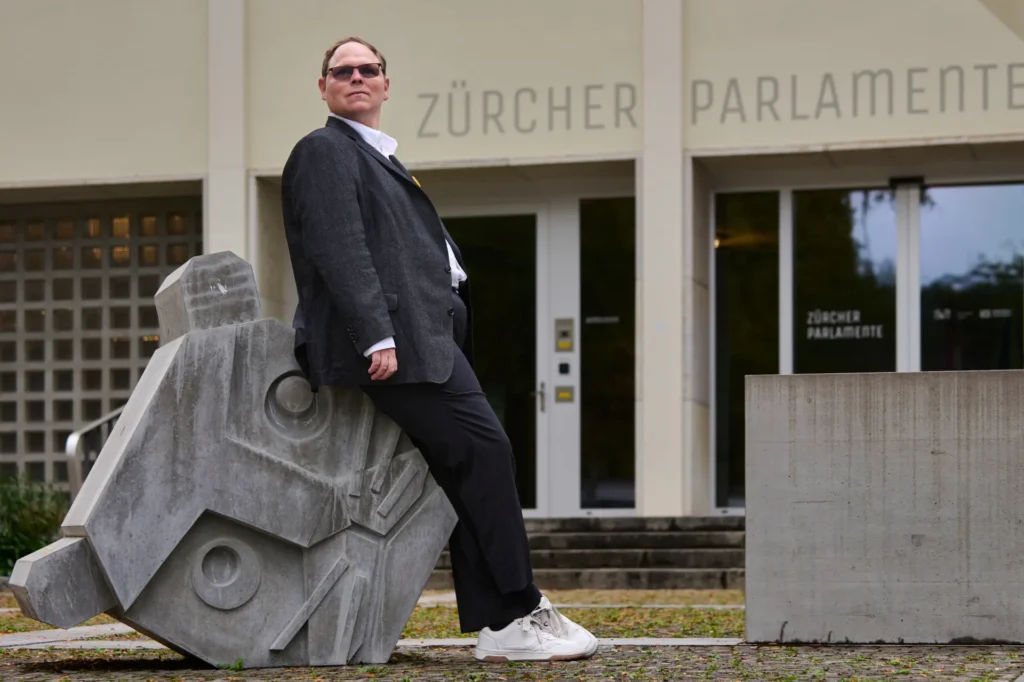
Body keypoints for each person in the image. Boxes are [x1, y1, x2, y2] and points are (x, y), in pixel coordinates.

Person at [280, 36, 598, 663]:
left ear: (387, 83)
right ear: (323, 88)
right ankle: (516, 613)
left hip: (426, 339)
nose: (357, 78)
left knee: (467, 467)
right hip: (399, 345)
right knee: (486, 450)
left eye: (369, 69)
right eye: (342, 71)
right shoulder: (324, 150)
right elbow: (341, 248)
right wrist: (378, 335)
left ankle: (505, 621)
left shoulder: (379, 156)